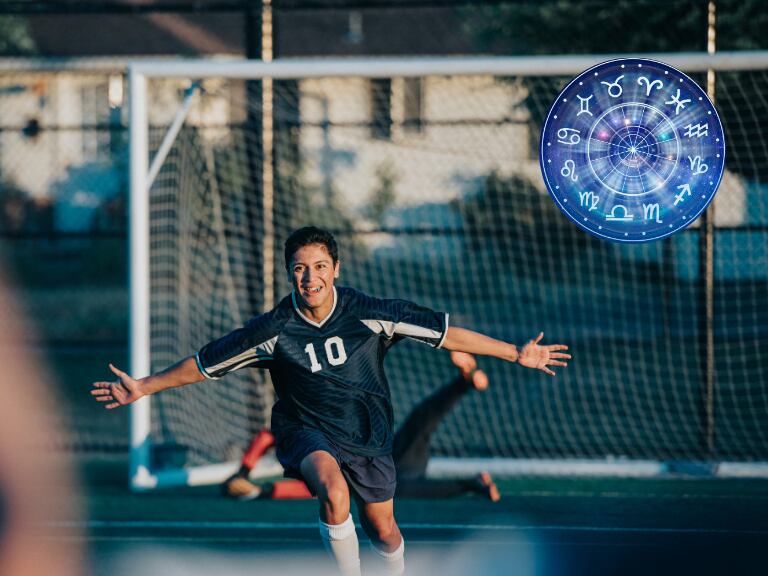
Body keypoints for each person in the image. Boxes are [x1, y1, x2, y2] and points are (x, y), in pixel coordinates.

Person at [92, 226, 570, 576]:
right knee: (332, 490)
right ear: (289, 274)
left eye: (319, 266)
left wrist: (514, 353)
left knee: (384, 532)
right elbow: (204, 363)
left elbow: (445, 334)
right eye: (299, 268)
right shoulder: (272, 330)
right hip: (305, 430)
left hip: (367, 435)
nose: (310, 277)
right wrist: (143, 386)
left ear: (336, 269)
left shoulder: (370, 313)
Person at [224, 351, 500, 502]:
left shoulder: (334, 417)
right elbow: (272, 439)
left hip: (390, 460)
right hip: (394, 474)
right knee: (395, 487)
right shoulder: (307, 435)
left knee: (419, 425)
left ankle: (464, 382)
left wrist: (254, 484)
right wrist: (248, 478)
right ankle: (473, 484)